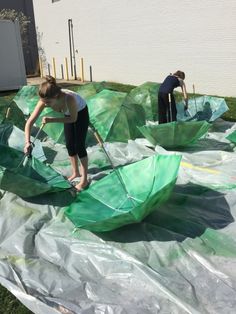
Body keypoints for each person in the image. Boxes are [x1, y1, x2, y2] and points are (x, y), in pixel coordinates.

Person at [24, 75, 89, 191]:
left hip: (80, 113)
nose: (45, 104)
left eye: (48, 102)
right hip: (68, 114)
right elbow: (29, 122)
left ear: (56, 96)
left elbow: (73, 119)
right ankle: (76, 173)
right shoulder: (45, 100)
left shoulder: (69, 99)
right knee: (69, 144)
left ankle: (84, 180)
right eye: (44, 102)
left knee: (79, 145)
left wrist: (51, 120)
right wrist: (27, 142)